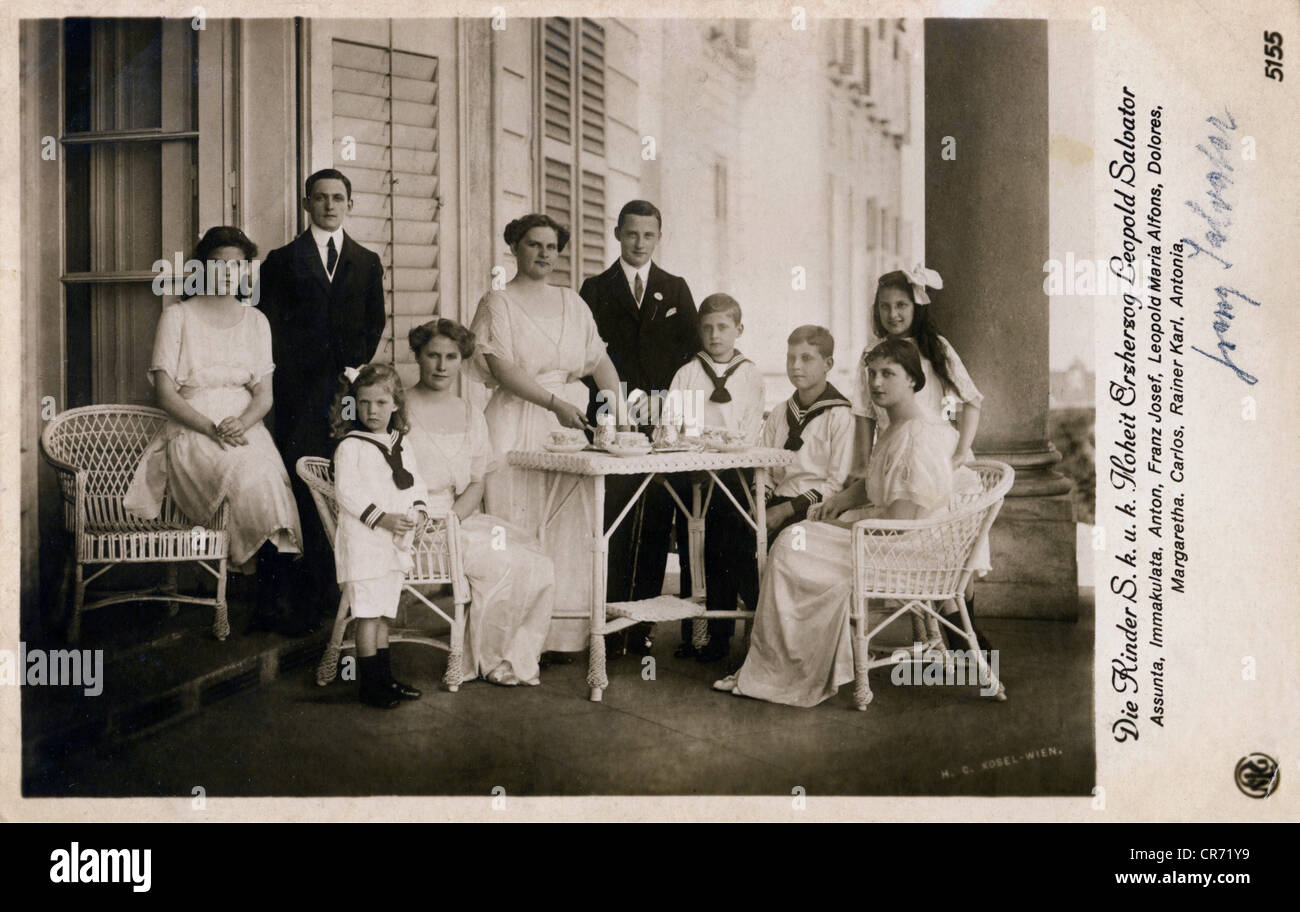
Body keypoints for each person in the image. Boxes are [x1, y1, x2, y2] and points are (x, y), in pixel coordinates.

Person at [714, 338, 981, 707]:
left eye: (889, 374)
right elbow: (874, 483)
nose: (876, 383)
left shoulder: (919, 435)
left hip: (901, 548)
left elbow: (900, 518)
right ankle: (786, 664)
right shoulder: (894, 427)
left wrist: (838, 528)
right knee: (794, 540)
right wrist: (839, 501)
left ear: (913, 381)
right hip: (885, 534)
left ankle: (787, 669)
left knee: (793, 545)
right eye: (872, 374)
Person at [124, 226, 303, 634]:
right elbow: (166, 395)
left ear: (245, 271)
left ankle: (271, 599)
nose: (226, 272)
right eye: (218, 264)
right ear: (202, 267)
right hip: (193, 430)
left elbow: (264, 394)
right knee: (250, 476)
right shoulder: (178, 316)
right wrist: (210, 427)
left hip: (243, 426)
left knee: (271, 479)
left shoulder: (256, 321)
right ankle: (268, 594)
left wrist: (242, 422)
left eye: (235, 265)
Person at [469, 214, 621, 656]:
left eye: (551, 247)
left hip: (569, 428)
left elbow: (598, 360)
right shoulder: (498, 301)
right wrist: (554, 404)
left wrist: (618, 409)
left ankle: (560, 636)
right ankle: (513, 640)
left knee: (568, 526)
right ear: (514, 247)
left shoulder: (572, 302)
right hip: (518, 422)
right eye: (533, 245)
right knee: (519, 523)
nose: (543, 254)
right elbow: (501, 367)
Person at [832, 265, 991, 649]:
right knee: (906, 528)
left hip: (936, 452)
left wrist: (958, 453)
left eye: (901, 305)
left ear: (916, 306)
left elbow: (972, 401)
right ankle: (947, 630)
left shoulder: (936, 347)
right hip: (897, 454)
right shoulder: (873, 356)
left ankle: (961, 625)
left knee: (952, 547)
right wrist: (860, 470)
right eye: (885, 306)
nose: (894, 314)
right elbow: (865, 416)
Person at [256, 168, 387, 634]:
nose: (330, 205)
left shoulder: (366, 261)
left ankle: (346, 594)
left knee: (346, 481)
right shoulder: (282, 260)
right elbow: (268, 326)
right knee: (300, 483)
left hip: (350, 393)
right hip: (297, 393)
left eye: (339, 197)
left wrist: (353, 371)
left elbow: (374, 323)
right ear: (307, 203)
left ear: (350, 203)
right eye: (321, 198)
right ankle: (304, 601)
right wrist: (298, 374)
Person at [405, 319, 556, 686]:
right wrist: (428, 519)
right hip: (412, 525)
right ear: (418, 357)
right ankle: (491, 662)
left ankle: (511, 656)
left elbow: (476, 480)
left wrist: (454, 518)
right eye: (433, 356)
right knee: (501, 561)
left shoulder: (471, 414)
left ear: (462, 360)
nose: (442, 366)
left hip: (457, 520)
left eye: (452, 357)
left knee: (533, 560)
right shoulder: (398, 409)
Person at [579, 200, 698, 654]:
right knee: (611, 519)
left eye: (648, 235)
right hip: (612, 416)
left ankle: (641, 625)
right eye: (631, 234)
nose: (639, 242)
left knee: (654, 519)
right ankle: (606, 622)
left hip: (660, 419)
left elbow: (690, 357)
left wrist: (676, 419)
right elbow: (587, 356)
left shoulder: (675, 288)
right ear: (616, 234)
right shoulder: (595, 288)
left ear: (659, 237)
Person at [661, 293, 765, 663]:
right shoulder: (688, 373)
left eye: (723, 327)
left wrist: (729, 454)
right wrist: (695, 454)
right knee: (693, 554)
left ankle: (733, 636)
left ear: (739, 329)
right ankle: (697, 636)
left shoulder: (749, 375)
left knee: (729, 552)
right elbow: (673, 426)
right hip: (693, 475)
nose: (715, 335)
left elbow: (751, 427)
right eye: (707, 328)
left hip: (733, 477)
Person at [329, 363, 429, 709]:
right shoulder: (351, 446)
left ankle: (385, 679)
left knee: (384, 612)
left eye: (381, 403)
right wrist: (383, 518)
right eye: (364, 403)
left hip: (391, 546)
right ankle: (369, 686)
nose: (372, 411)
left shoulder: (401, 443)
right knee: (368, 615)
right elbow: (347, 493)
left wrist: (418, 509)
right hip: (365, 543)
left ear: (396, 404)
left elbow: (415, 481)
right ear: (353, 404)